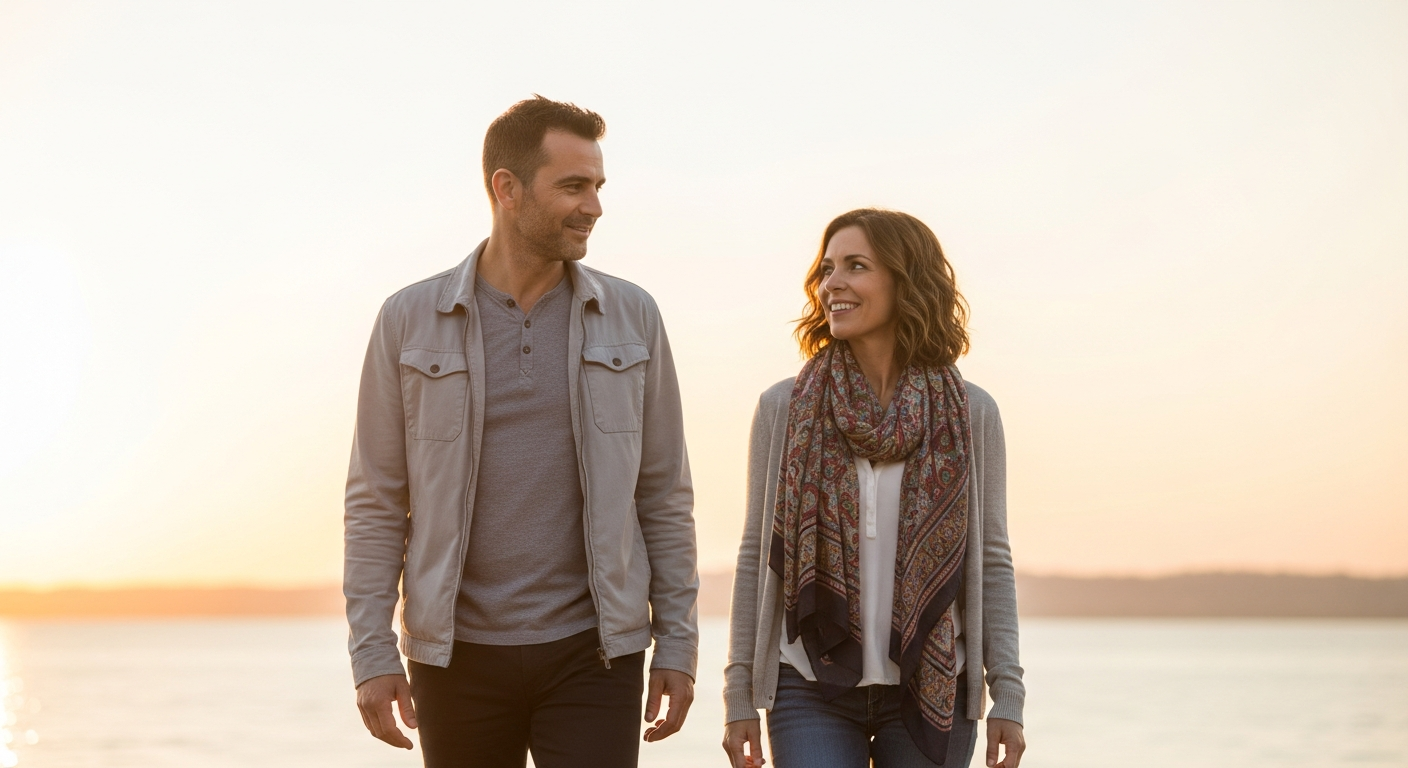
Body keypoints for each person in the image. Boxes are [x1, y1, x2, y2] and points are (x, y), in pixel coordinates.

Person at [343, 96, 699, 768]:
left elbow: (663, 494)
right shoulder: (408, 321)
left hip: (594, 653)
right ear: (507, 189)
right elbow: (375, 500)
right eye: (573, 186)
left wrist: (677, 643)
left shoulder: (633, 317)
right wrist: (370, 651)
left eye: (597, 186)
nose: (593, 205)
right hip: (455, 660)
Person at [721, 209, 1026, 768]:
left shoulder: (969, 414)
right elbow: (755, 555)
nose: (832, 283)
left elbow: (992, 559)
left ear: (905, 282)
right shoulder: (785, 409)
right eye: (828, 267)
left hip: (933, 686)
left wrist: (1008, 691)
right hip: (809, 684)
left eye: (856, 266)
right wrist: (739, 692)